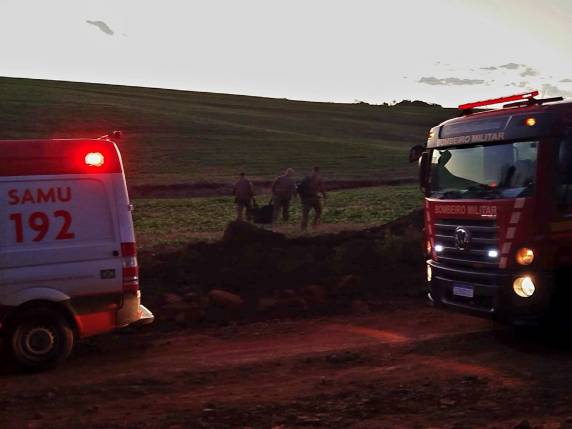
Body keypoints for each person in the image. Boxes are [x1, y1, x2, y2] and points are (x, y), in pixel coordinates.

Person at [298, 166, 327, 230]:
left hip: (305, 198)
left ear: (312, 170)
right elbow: (322, 188)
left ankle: (303, 228)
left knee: (305, 214)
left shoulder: (306, 177)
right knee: (319, 211)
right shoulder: (319, 178)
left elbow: (300, 187)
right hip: (314, 198)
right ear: (318, 171)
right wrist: (325, 196)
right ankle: (314, 224)